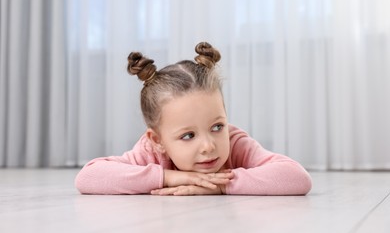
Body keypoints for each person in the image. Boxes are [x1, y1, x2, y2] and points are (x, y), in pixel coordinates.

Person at [75, 42, 312, 196]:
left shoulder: (235, 142)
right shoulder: (152, 151)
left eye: (217, 126)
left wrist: (219, 185)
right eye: (188, 135)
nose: (209, 146)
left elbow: (297, 178)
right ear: (157, 139)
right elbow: (88, 176)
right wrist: (169, 177)